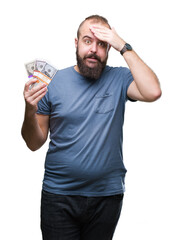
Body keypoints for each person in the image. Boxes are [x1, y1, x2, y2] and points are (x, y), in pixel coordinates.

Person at [21, 15, 161, 240]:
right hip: (59, 196)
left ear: (109, 48)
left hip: (107, 196)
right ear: (76, 43)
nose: (94, 49)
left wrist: (122, 45)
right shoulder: (53, 82)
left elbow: (153, 91)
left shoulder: (120, 78)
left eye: (102, 44)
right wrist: (29, 109)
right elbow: (34, 143)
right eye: (88, 41)